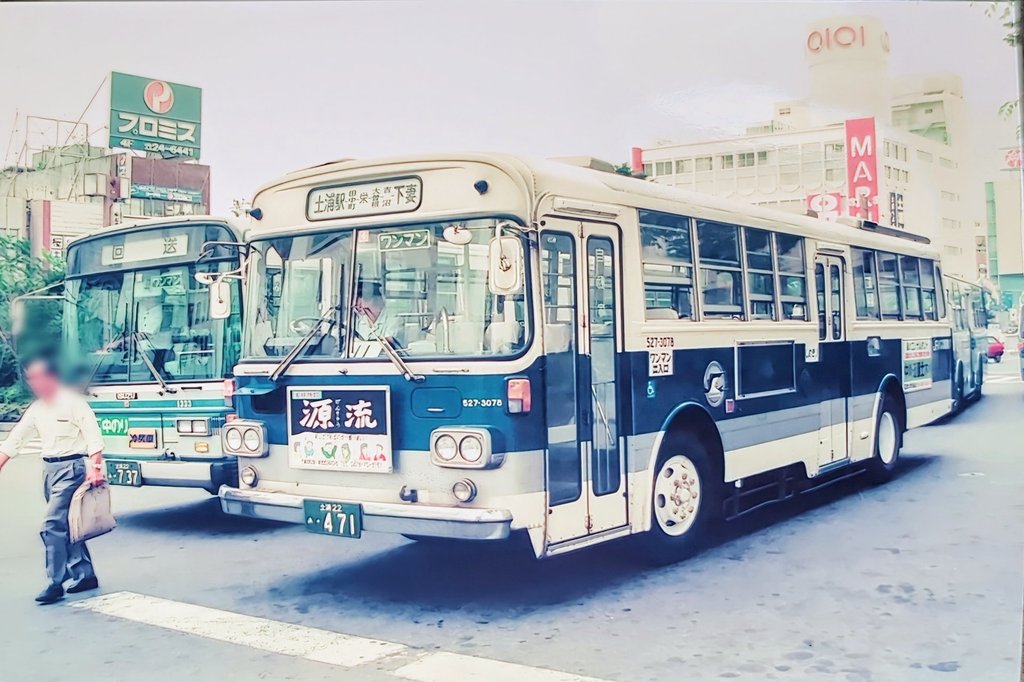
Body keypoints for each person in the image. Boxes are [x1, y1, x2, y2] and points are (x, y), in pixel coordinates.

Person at [0, 359, 105, 604]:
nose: (33, 383)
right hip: (49, 470)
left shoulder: (73, 404)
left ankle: (55, 582)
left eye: (37, 378)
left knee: (51, 525)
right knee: (66, 525)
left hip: (71, 469)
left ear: (51, 378)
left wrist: (96, 468)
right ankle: (85, 574)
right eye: (30, 378)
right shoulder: (37, 409)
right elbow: (16, 440)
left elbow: (93, 436)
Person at [353, 281, 402, 346]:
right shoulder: (356, 320)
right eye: (357, 301)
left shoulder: (394, 319)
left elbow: (390, 342)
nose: (361, 306)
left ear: (379, 300)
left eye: (366, 299)